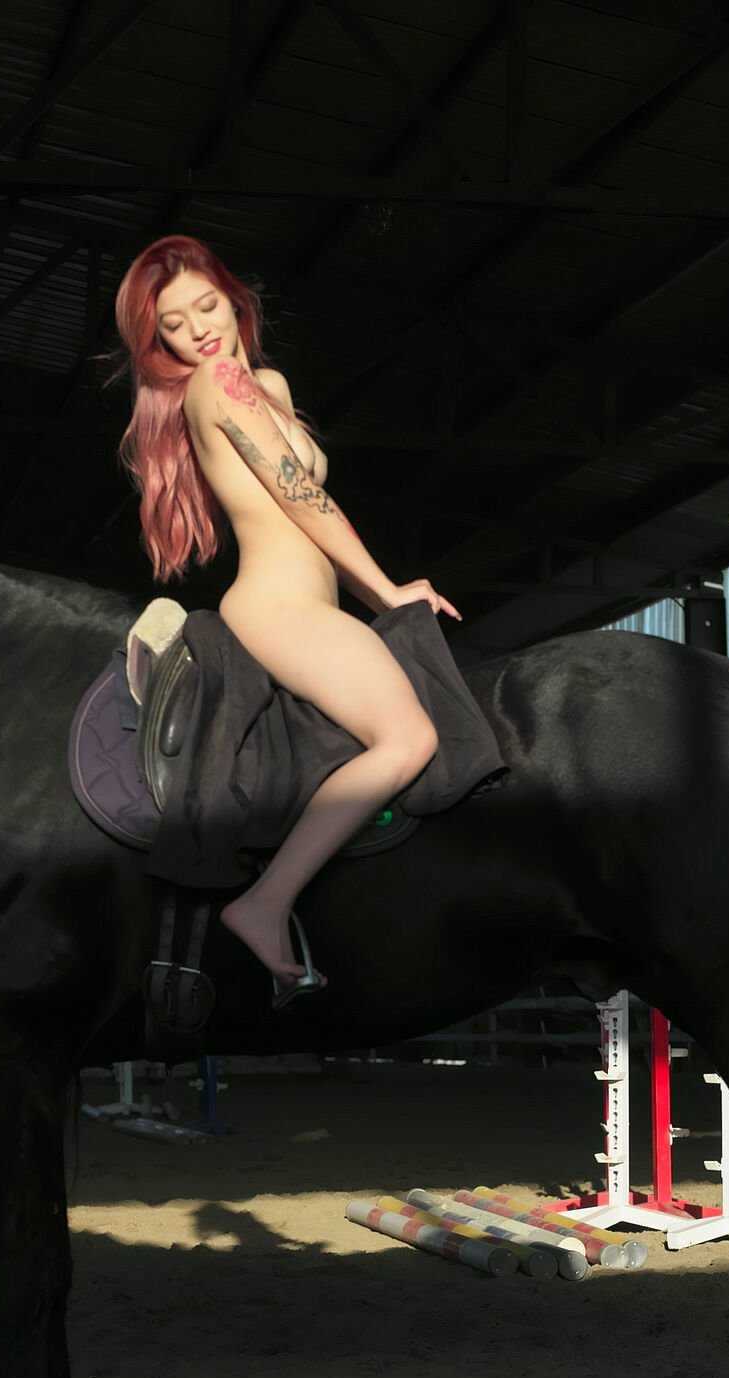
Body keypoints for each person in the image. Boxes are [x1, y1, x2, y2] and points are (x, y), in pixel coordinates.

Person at [113, 234, 456, 1005]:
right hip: (276, 606)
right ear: (160, 342)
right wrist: (386, 592)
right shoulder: (219, 382)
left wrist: (375, 594)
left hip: (307, 604)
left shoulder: (266, 382)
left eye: (207, 306)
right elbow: (303, 498)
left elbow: (304, 511)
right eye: (174, 325)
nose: (199, 331)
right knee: (408, 738)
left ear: (234, 300)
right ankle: (265, 904)